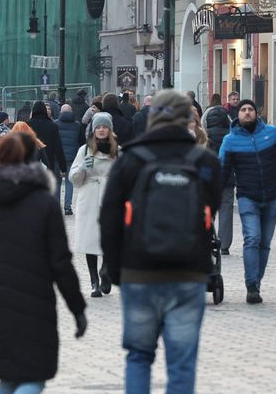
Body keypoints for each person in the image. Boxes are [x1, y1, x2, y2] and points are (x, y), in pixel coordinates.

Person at [99, 89, 222, 394]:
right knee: (182, 361)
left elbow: (109, 219)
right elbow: (210, 213)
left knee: (139, 356)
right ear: (189, 118)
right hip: (188, 272)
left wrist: (116, 271)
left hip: (139, 272)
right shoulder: (205, 161)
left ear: (152, 117)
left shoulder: (131, 159)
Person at [0, 133, 87, 394]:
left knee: (8, 375)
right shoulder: (44, 203)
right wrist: (77, 308)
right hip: (34, 300)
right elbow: (61, 262)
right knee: (34, 375)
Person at [219, 99, 276, 304]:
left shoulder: (271, 133)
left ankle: (256, 283)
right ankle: (251, 284)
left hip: (272, 197)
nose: (247, 112)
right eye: (243, 110)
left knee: (265, 243)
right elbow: (222, 170)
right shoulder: (230, 140)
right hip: (247, 197)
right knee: (252, 238)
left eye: (250, 109)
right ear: (237, 114)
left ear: (256, 113)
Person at [69, 112, 117, 298]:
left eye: (104, 127)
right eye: (98, 127)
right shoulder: (85, 150)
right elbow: (75, 179)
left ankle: (105, 272)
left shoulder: (117, 150)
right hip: (89, 198)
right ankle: (94, 282)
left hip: (109, 200)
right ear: (93, 130)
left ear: (110, 129)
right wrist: (82, 169)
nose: (101, 130)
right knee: (90, 242)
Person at [204, 103, 236, 254]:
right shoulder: (231, 137)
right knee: (226, 210)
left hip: (209, 180)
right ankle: (224, 245)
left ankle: (208, 239)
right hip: (227, 179)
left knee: (208, 209)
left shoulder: (204, 136)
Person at [28, 101, 68, 182]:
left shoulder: (27, 125)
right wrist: (63, 167)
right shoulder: (52, 126)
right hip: (48, 161)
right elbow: (58, 147)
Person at [55, 104, 84, 215]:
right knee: (69, 182)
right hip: (72, 157)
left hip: (57, 158)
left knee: (57, 182)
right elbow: (82, 141)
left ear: (61, 112)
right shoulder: (77, 125)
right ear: (71, 111)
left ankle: (57, 207)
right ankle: (68, 207)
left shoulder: (55, 124)